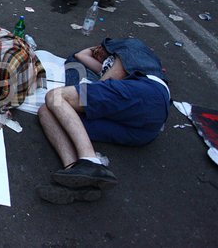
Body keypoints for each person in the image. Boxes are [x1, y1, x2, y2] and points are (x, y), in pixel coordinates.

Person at [36, 38, 169, 204]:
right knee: (47, 112)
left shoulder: (131, 48)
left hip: (148, 95)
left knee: (55, 96)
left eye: (99, 50)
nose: (96, 52)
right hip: (142, 129)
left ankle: (90, 161)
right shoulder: (108, 65)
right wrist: (95, 53)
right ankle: (75, 175)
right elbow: (78, 55)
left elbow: (102, 86)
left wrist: (103, 47)